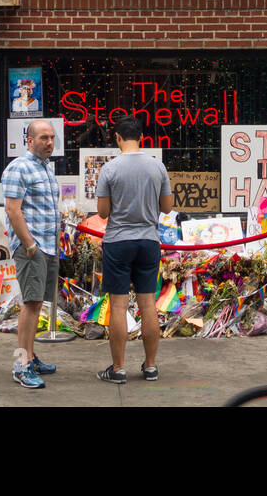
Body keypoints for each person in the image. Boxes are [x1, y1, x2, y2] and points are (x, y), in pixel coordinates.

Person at [95, 116, 172, 384]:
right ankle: (150, 366)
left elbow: (103, 212)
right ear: (141, 137)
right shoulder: (157, 167)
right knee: (148, 303)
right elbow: (167, 207)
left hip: (118, 241)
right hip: (149, 241)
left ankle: (118, 369)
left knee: (118, 305)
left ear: (117, 137)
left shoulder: (109, 169)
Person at [1, 119, 60, 389]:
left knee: (37, 304)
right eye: (43, 138)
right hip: (32, 247)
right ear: (30, 140)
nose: (49, 142)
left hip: (47, 245)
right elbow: (13, 210)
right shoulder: (19, 168)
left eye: (51, 137)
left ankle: (31, 356)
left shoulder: (45, 168)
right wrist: (29, 244)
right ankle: (21, 364)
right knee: (30, 303)